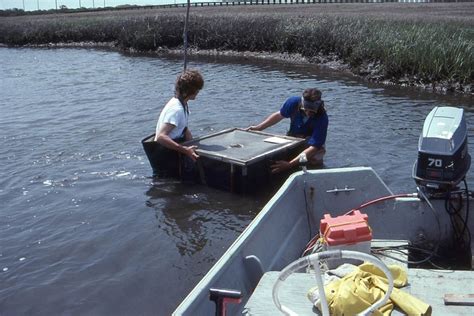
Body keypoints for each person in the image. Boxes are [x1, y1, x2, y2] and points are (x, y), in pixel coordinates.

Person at [248, 88, 328, 174]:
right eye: (306, 108)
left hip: (311, 143)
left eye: (312, 110)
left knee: (314, 162)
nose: (308, 112)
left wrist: (289, 164)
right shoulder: (293, 102)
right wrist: (259, 128)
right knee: (287, 157)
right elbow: (279, 115)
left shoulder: (322, 118)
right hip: (294, 136)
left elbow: (314, 147)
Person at [151, 69, 204, 177]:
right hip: (165, 156)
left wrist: (192, 143)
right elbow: (161, 136)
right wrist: (185, 150)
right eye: (197, 89)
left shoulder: (183, 104)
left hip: (173, 151)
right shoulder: (176, 109)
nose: (198, 92)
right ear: (190, 91)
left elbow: (183, 128)